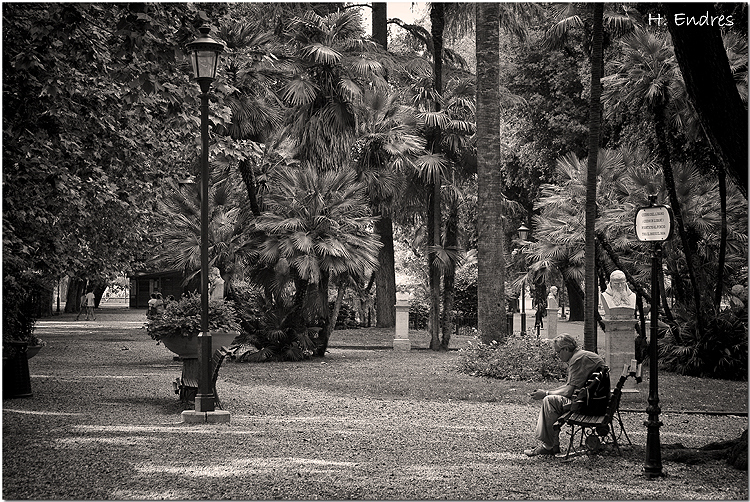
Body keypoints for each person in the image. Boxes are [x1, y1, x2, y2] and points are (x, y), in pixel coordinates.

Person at [524, 333, 604, 456]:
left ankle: (549, 446)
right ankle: (550, 444)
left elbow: (568, 392)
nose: (557, 355)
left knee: (549, 401)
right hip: (596, 400)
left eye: (558, 352)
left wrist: (545, 393)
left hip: (589, 405)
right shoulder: (581, 356)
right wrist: (547, 392)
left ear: (566, 349)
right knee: (551, 399)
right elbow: (570, 386)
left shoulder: (577, 360)